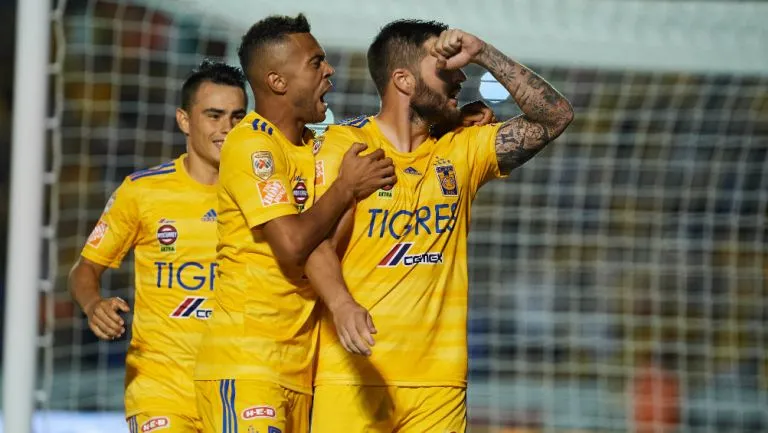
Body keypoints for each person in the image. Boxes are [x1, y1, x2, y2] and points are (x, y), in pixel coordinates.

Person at [308, 20, 575, 432]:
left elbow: (554, 117)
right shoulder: (343, 147)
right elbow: (315, 244)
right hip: (354, 374)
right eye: (445, 67)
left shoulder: (462, 149)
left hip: (440, 384)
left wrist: (483, 51)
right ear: (403, 79)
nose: (461, 76)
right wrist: (342, 305)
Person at [191, 14, 397, 433]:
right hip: (246, 364)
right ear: (277, 82)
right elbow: (290, 244)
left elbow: (322, 246)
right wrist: (344, 190)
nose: (329, 70)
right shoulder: (252, 145)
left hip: (296, 369)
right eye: (315, 62)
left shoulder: (311, 150)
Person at [69, 60, 248, 433]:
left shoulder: (260, 194)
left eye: (236, 117)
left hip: (243, 384)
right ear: (184, 120)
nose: (226, 129)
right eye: (214, 116)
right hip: (160, 387)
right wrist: (93, 304)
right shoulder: (142, 191)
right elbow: (85, 268)